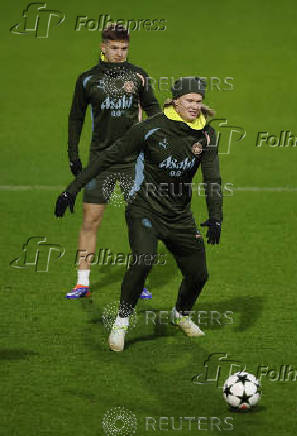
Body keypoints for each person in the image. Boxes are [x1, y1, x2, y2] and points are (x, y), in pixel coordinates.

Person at [55, 77, 223, 352]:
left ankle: (180, 315)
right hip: (144, 208)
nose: (195, 106)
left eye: (198, 101)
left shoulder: (206, 134)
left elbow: (212, 178)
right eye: (189, 101)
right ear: (175, 101)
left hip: (179, 215)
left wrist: (216, 217)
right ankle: (121, 322)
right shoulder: (150, 128)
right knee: (144, 260)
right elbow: (109, 156)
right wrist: (72, 190)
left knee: (199, 274)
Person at [66, 23, 160, 299]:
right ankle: (82, 283)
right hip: (101, 160)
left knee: (139, 220)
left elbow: (152, 108)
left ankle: (137, 280)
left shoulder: (139, 76)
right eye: (115, 48)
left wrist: (159, 138)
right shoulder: (87, 80)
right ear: (103, 47)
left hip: (134, 160)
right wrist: (73, 153)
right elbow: (76, 117)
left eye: (124, 48)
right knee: (91, 219)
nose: (120, 53)